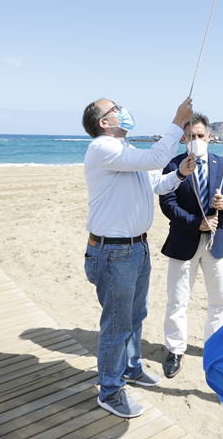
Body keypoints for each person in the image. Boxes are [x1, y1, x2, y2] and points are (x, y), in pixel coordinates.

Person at [82, 97, 196, 419]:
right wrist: (177, 120)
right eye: (114, 108)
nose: (122, 109)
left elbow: (157, 183)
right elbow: (159, 156)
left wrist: (181, 174)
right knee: (117, 324)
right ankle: (110, 390)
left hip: (136, 247)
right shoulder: (104, 148)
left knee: (136, 315)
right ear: (104, 123)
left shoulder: (127, 153)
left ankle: (130, 368)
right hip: (113, 251)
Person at [158, 113, 223, 378]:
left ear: (209, 137)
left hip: (218, 243)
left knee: (219, 300)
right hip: (184, 241)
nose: (196, 140)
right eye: (191, 136)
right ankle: (175, 350)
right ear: (184, 139)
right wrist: (197, 223)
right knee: (177, 300)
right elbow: (167, 203)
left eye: (200, 135)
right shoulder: (173, 165)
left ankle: (214, 347)